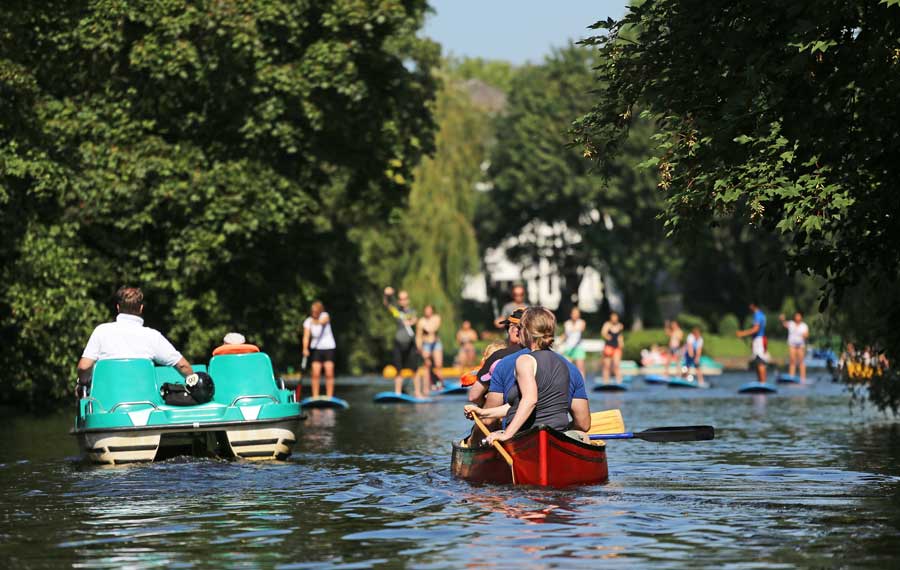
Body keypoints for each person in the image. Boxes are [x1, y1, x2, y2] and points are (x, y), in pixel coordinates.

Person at [467, 306, 591, 446]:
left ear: (526, 331)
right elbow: (523, 405)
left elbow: (530, 400)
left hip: (526, 437)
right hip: (556, 435)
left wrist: (506, 434)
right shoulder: (565, 363)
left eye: (520, 328)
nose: (518, 332)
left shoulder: (524, 361)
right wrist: (482, 413)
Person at [76, 286, 194, 396]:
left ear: (118, 307)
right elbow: (182, 365)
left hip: (106, 406)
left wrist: (83, 384)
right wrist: (195, 383)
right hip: (146, 405)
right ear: (141, 308)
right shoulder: (152, 336)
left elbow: (84, 367)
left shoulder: (101, 331)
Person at [468, 307, 526, 407]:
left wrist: (482, 406)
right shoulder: (544, 354)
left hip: (505, 415)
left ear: (512, 330)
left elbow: (473, 396)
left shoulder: (498, 356)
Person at [383, 287, 418, 395]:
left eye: (405, 298)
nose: (403, 301)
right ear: (398, 301)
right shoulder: (396, 311)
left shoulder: (413, 311)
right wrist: (386, 295)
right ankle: (398, 393)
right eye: (401, 299)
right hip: (398, 343)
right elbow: (386, 304)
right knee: (398, 370)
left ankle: (417, 393)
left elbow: (415, 319)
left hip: (411, 343)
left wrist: (411, 322)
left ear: (408, 300)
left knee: (414, 369)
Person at [303, 301, 337, 398]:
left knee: (329, 372)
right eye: (313, 311)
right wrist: (305, 349)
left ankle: (329, 396)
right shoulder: (307, 321)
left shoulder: (325, 315)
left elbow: (322, 322)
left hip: (328, 347)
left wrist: (313, 322)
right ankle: (315, 396)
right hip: (316, 349)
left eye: (316, 311)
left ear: (320, 311)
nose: (314, 313)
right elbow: (306, 336)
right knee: (315, 373)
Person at [737, 302, 769, 383]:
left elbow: (756, 329)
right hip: (758, 340)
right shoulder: (761, 314)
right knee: (758, 363)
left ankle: (762, 383)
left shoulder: (757, 315)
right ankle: (760, 382)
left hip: (759, 340)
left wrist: (743, 333)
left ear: (753, 305)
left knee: (760, 362)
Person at [416, 304, 443, 389]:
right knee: (427, 365)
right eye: (426, 310)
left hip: (436, 343)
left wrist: (426, 327)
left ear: (432, 310)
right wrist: (420, 348)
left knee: (438, 365)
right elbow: (418, 336)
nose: (427, 311)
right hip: (426, 344)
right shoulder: (421, 321)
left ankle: (440, 384)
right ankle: (427, 387)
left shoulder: (436, 318)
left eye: (429, 310)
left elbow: (434, 328)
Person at [780, 312, 809, 382]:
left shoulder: (804, 325)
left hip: (800, 345)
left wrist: (804, 335)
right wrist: (782, 319)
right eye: (796, 316)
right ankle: (791, 377)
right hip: (792, 344)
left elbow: (807, 334)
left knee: (801, 362)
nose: (797, 318)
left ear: (801, 317)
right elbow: (784, 324)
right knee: (792, 361)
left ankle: (803, 378)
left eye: (799, 316)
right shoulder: (791, 324)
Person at [560, 307, 587, 378]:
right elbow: (565, 335)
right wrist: (559, 341)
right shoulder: (567, 323)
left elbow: (581, 330)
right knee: (567, 368)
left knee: (580, 368)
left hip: (578, 347)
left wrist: (572, 329)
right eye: (574, 313)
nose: (575, 315)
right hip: (569, 347)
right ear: (571, 314)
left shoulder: (581, 322)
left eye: (577, 314)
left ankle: (582, 385)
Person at [600, 312, 625, 385]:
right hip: (608, 347)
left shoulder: (620, 326)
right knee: (606, 366)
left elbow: (620, 335)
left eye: (615, 317)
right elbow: (603, 333)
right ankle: (605, 382)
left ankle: (619, 382)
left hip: (616, 347)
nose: (614, 319)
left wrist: (621, 342)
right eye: (613, 317)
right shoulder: (607, 324)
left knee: (616, 365)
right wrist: (607, 336)